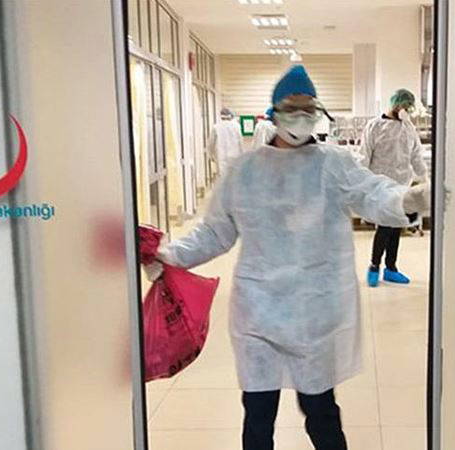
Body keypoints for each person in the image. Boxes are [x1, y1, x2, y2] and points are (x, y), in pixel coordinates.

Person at [152, 65, 430, 450]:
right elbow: (215, 232)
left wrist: (407, 199)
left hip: (316, 314)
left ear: (317, 112)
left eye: (307, 108)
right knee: (258, 414)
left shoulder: (333, 164)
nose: (300, 116)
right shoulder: (244, 171)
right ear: (274, 113)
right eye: (291, 108)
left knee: (321, 411)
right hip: (259, 313)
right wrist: (171, 256)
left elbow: (372, 194)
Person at [359, 88, 429, 288]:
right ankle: (374, 267)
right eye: (405, 106)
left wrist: (424, 178)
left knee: (396, 227)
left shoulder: (409, 128)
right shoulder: (375, 126)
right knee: (384, 227)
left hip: (402, 186)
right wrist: (362, 183)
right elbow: (364, 156)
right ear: (396, 105)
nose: (407, 110)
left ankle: (391, 268)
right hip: (381, 186)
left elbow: (416, 155)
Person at [208, 107, 244, 176]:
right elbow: (240, 142)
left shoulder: (216, 127)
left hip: (221, 156)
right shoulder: (237, 126)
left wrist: (211, 155)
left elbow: (211, 143)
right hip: (235, 155)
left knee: (223, 176)